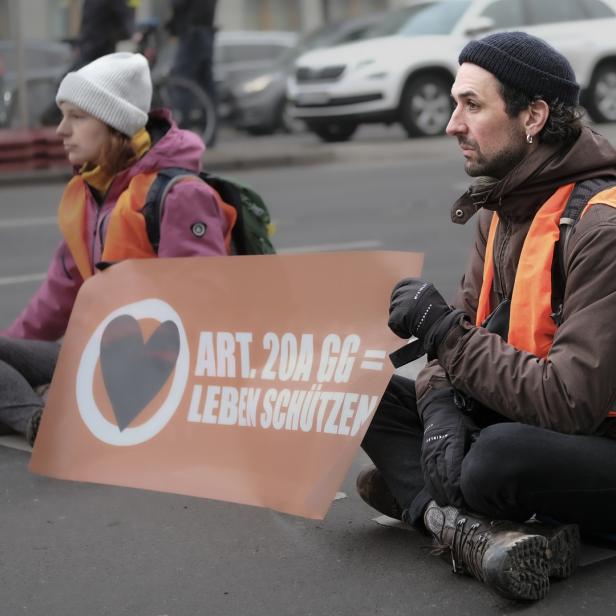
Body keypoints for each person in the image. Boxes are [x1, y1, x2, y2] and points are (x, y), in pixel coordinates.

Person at [357, 31, 616, 602]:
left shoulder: (600, 225)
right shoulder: (499, 207)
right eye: (455, 104)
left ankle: (425, 503)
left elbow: (569, 403)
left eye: (472, 105)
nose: (452, 123)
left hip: (590, 438)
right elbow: (462, 351)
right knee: (354, 388)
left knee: (495, 460)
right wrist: (443, 407)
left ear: (534, 116)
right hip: (528, 416)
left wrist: (442, 332)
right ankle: (468, 530)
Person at [1, 51, 235, 446]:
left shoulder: (178, 195)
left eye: (77, 117)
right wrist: (13, 355)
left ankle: (42, 417)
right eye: (63, 115)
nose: (61, 130)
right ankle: (43, 415)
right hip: (103, 357)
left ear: (115, 126)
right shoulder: (91, 193)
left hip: (160, 369)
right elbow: (55, 300)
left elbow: (204, 308)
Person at [41, 0, 137, 126]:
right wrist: (130, 32)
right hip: (100, 47)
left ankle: (57, 114)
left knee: (76, 83)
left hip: (92, 46)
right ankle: (55, 115)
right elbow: (124, 21)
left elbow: (87, 22)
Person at [166, 0, 218, 143]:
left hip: (192, 31)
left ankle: (181, 135)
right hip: (206, 29)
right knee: (205, 84)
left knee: (182, 82)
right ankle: (210, 134)